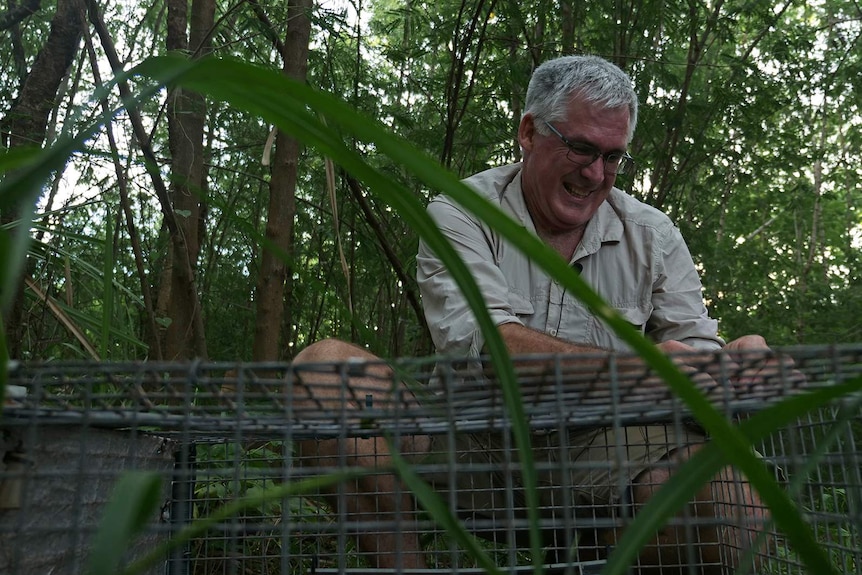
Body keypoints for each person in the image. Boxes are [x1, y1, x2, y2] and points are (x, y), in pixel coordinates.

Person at [293, 55, 784, 574]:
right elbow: (490, 348)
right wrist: (645, 367)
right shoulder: (460, 213)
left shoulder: (654, 235)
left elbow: (695, 359)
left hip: (611, 449)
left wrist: (733, 365)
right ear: (529, 132)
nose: (596, 174)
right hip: (473, 443)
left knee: (739, 511)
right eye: (580, 148)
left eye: (613, 157)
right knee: (323, 369)